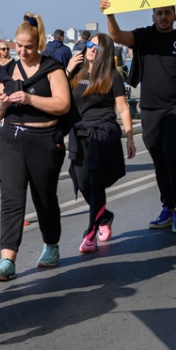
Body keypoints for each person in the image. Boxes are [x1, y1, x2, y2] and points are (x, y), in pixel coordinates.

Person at [101, 0, 176, 235]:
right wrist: (110, 13)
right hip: (150, 108)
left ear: (175, 16)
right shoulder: (144, 36)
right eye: (159, 13)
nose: (163, 17)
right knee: (159, 160)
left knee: (174, 156)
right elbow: (117, 36)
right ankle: (167, 207)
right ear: (153, 16)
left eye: (167, 13)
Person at [0, 13, 71, 280]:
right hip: (11, 140)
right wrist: (2, 101)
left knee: (44, 198)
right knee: (11, 199)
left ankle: (51, 244)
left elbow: (63, 105)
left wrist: (29, 98)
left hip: (44, 140)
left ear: (38, 43)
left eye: (28, 46)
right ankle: (7, 259)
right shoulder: (6, 71)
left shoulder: (52, 68)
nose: (22, 51)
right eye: (18, 45)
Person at [65, 32, 135, 252]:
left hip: (103, 132)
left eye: (97, 47)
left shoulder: (112, 75)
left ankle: (91, 233)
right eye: (89, 44)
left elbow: (122, 108)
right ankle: (104, 216)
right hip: (80, 132)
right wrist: (67, 69)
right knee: (81, 180)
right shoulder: (76, 71)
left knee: (94, 182)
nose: (91, 49)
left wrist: (130, 137)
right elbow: (58, 95)